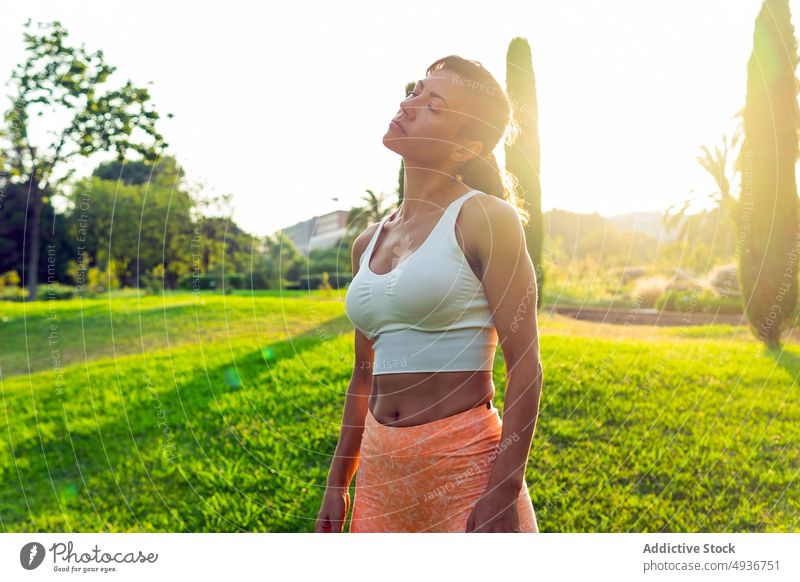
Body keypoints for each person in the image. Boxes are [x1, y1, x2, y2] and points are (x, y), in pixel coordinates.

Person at [315, 55, 543, 533]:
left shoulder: (485, 219)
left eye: (433, 104)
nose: (409, 104)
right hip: (380, 474)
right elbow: (362, 377)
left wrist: (502, 489)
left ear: (465, 148)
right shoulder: (367, 242)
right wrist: (338, 482)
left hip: (464, 467)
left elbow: (524, 365)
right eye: (416, 91)